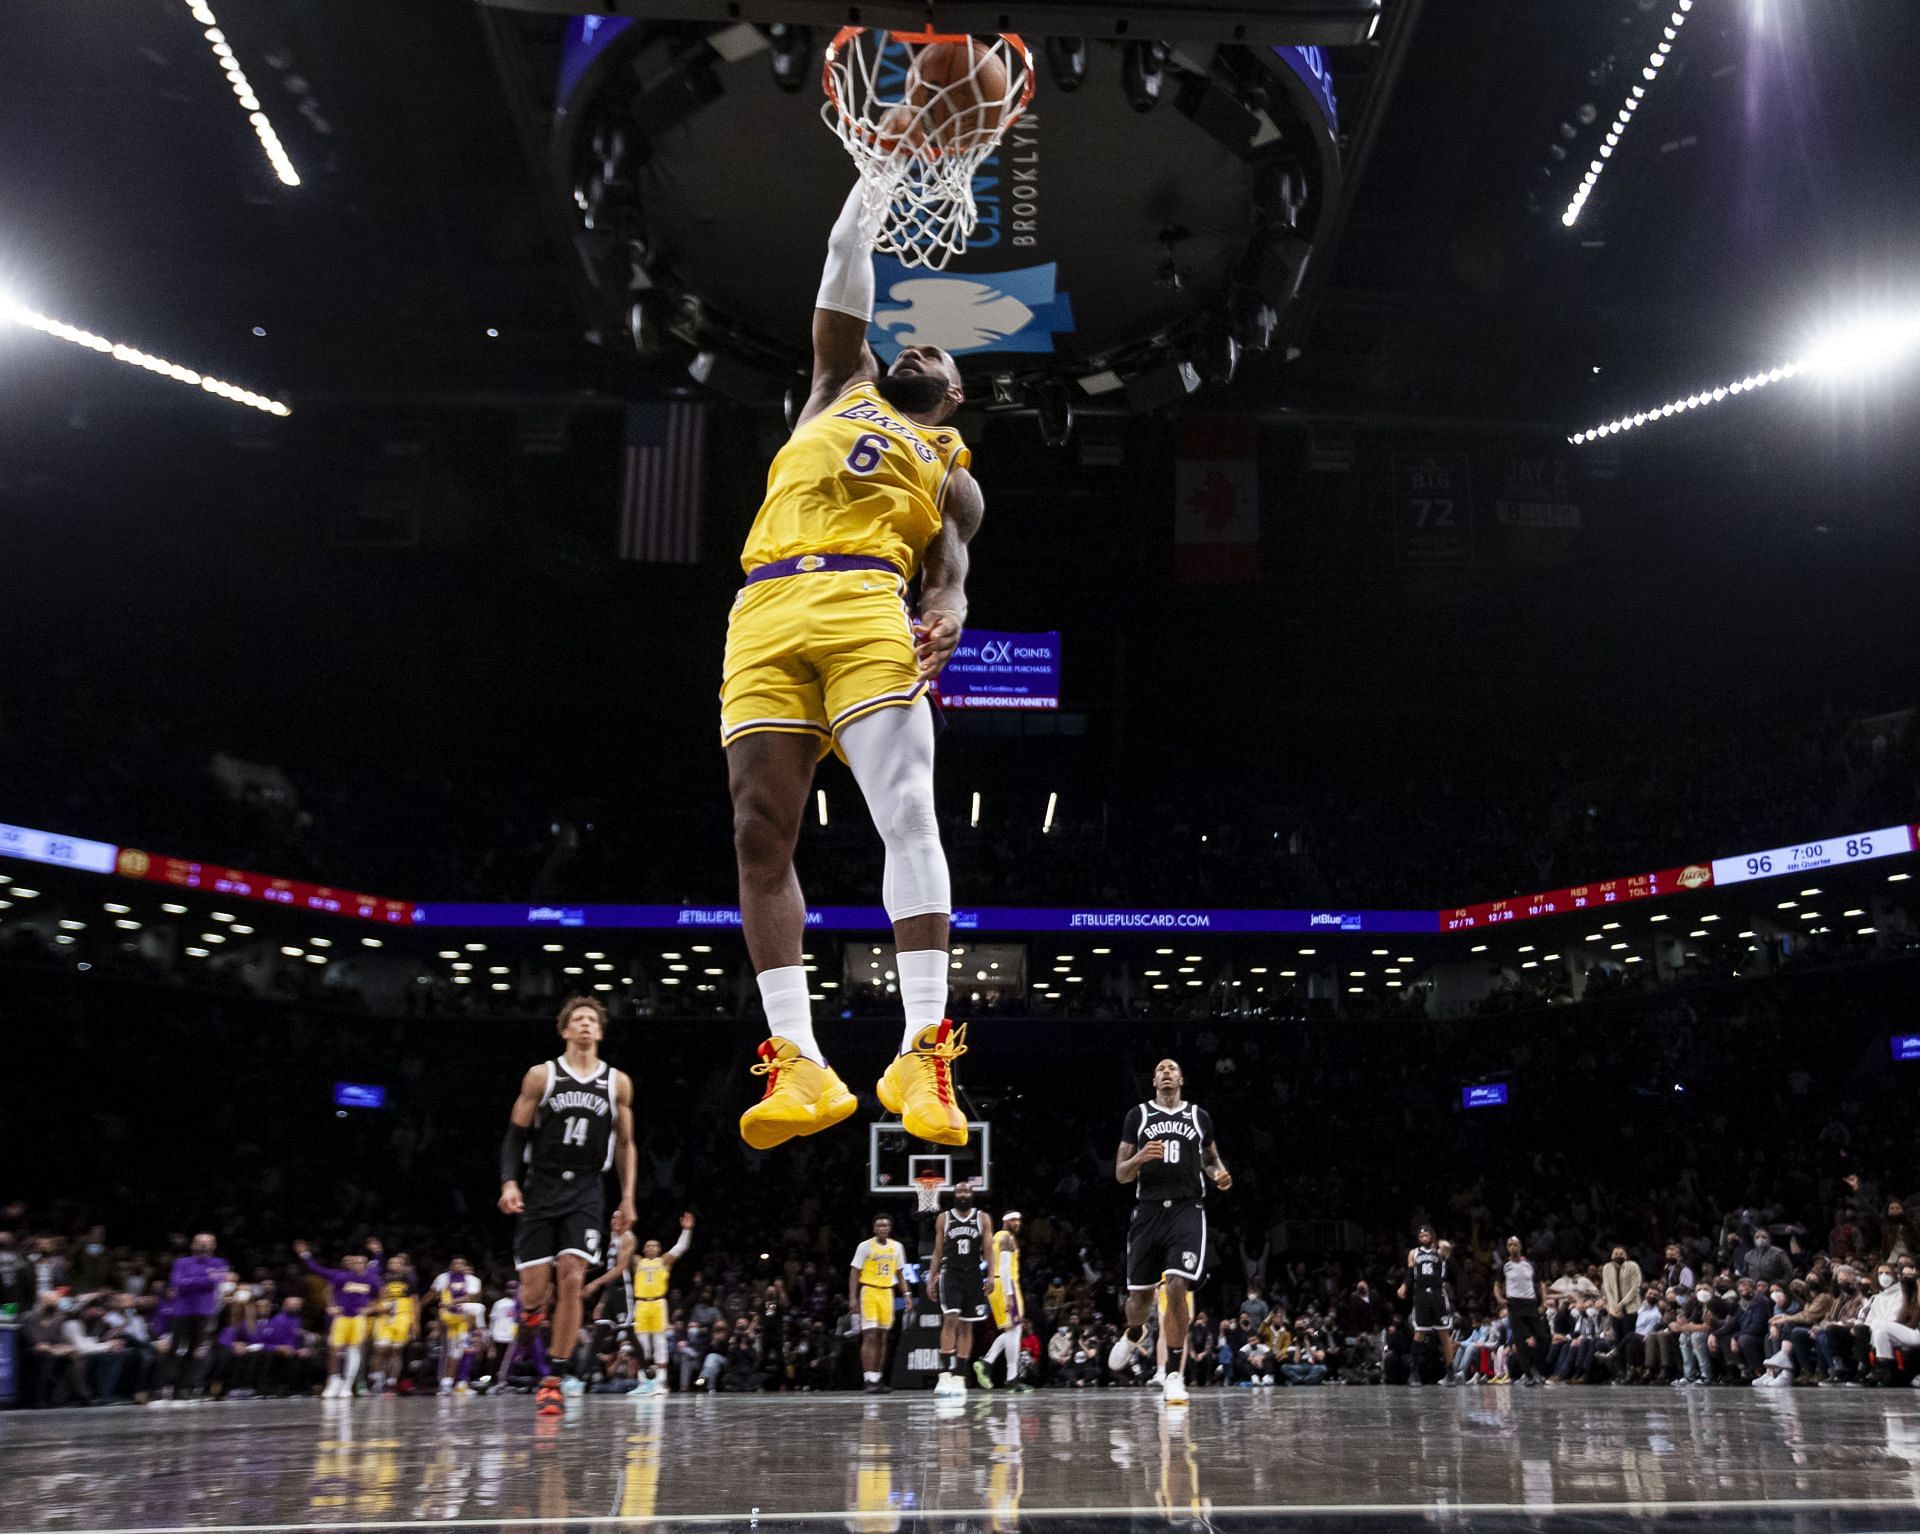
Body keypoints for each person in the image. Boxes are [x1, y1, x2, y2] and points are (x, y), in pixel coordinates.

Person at [725, 172, 986, 1157]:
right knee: (760, 833)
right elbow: (845, 261)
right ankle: (798, 1056)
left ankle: (924, 1046)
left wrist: (949, 610)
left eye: (941, 353)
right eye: (909, 339)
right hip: (761, 610)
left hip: (866, 604)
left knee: (908, 808)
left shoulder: (952, 475)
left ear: (953, 394)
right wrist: (876, 175)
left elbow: (952, 575)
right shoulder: (840, 383)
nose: (918, 346)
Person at [498, 994, 638, 1413]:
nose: (585, 1025)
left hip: (586, 1188)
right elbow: (515, 1136)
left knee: (573, 1277)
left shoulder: (617, 1082)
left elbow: (627, 1144)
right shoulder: (542, 1076)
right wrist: (509, 1183)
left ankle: (554, 1378)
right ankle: (532, 1314)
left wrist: (628, 1198)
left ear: (600, 1031)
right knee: (534, 1292)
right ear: (564, 1030)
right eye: (577, 1019)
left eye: (591, 1020)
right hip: (541, 1185)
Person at [1108, 1059, 1232, 1406]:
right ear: (1153, 1080)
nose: (1165, 1072)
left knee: (1177, 1284)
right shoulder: (1139, 1116)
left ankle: (1174, 1375)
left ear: (1181, 1078)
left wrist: (1220, 1175)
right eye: (1160, 1069)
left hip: (1186, 1208)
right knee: (1139, 1301)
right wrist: (1139, 1159)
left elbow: (1211, 1160)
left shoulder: (1198, 1116)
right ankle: (1134, 1333)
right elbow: (1121, 1174)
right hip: (1148, 1210)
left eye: (1172, 1069)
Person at [587, 1212, 694, 1398]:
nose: (652, 1247)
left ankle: (661, 1382)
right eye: (648, 1245)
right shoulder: (637, 1262)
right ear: (644, 1249)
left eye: (655, 1245)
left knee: (659, 1344)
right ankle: (644, 1382)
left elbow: (680, 1247)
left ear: (659, 1249)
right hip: (641, 1305)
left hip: (658, 1304)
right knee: (641, 1345)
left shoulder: (664, 1262)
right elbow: (624, 1248)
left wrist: (686, 1230)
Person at [296, 1236, 382, 1399]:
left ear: (365, 1264)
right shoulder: (341, 1276)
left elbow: (381, 1296)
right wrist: (305, 1254)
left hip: (358, 1319)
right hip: (342, 1318)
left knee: (354, 1350)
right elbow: (317, 1270)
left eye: (360, 1262)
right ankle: (333, 1381)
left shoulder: (372, 1277)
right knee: (334, 1350)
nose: (356, 1265)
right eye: (354, 1262)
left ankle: (347, 1385)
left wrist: (370, 1308)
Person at [928, 1184, 993, 1396]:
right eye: (959, 1192)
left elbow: (989, 1249)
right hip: (951, 1272)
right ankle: (944, 1374)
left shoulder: (982, 1218)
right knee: (951, 1318)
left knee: (967, 1325)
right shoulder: (944, 1218)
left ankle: (959, 1375)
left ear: (972, 1195)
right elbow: (937, 1251)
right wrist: (931, 1278)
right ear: (954, 1195)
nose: (963, 1195)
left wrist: (991, 1276)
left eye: (966, 1192)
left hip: (973, 1273)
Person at [160, 1232, 228, 1402]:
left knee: (197, 1352)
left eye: (207, 1242)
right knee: (175, 1350)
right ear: (192, 1245)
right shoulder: (181, 1262)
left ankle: (185, 1388)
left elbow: (217, 1281)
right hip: (182, 1311)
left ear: (213, 1245)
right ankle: (166, 1387)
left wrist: (192, 1281)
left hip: (204, 1312)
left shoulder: (219, 1263)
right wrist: (206, 1279)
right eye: (199, 1242)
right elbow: (178, 1284)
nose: (203, 1245)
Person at [849, 1214, 910, 1394]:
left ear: (889, 1228)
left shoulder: (897, 1247)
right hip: (869, 1291)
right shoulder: (865, 1246)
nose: (882, 1228)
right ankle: (868, 1378)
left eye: (885, 1225)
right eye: (878, 1226)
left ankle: (877, 1377)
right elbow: (854, 1273)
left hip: (887, 1292)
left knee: (883, 1337)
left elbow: (900, 1274)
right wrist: (852, 1297)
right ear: (874, 1229)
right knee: (870, 1335)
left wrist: (906, 1294)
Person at [977, 1210, 1029, 1391]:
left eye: (1019, 1220)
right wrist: (1009, 1294)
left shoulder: (996, 1237)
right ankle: (1011, 1377)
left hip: (997, 1283)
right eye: (1013, 1220)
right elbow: (1006, 1268)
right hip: (1006, 1284)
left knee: (1012, 1330)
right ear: (1004, 1221)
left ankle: (988, 1363)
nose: (1017, 1223)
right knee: (1015, 1330)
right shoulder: (1006, 1238)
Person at [1398, 1225, 1453, 1385]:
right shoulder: (1414, 1253)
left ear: (1432, 1236)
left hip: (1438, 1294)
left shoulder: (1440, 1250)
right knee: (1419, 1332)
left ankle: (1450, 1372)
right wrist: (1404, 1286)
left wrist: (1441, 1243)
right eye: (1421, 1236)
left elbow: (1447, 1248)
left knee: (1444, 1333)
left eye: (1426, 1235)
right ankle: (1414, 1373)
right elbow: (1410, 1274)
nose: (1423, 1238)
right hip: (1421, 1294)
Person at [1495, 1237, 1548, 1386]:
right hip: (1514, 1304)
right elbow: (1497, 1284)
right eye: (1510, 1245)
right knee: (1520, 1341)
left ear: (1521, 1246)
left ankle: (1537, 1369)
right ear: (1507, 1247)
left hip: (1530, 1303)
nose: (1513, 1247)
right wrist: (1499, 1298)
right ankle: (1529, 1374)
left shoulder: (1530, 1264)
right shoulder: (1504, 1266)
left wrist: (1543, 1302)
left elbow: (1540, 1284)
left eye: (1515, 1244)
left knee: (1542, 1337)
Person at [429, 1257, 485, 1395]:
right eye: (455, 1263)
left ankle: (461, 1384)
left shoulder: (474, 1281)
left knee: (466, 1352)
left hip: (468, 1322)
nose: (459, 1266)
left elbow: (472, 1298)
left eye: (462, 1264)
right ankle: (446, 1383)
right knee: (452, 1352)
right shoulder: (443, 1279)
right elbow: (436, 1296)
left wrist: (451, 1303)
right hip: (451, 1320)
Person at [369, 1252, 418, 1396]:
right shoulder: (382, 1279)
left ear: (403, 1266)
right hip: (384, 1317)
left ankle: (391, 1381)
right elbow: (377, 1298)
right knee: (380, 1348)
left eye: (398, 1263)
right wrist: (379, 1307)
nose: (394, 1265)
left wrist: (415, 1323)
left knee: (396, 1350)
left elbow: (415, 1302)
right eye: (392, 1263)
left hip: (403, 1317)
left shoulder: (410, 1280)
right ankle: (377, 1379)